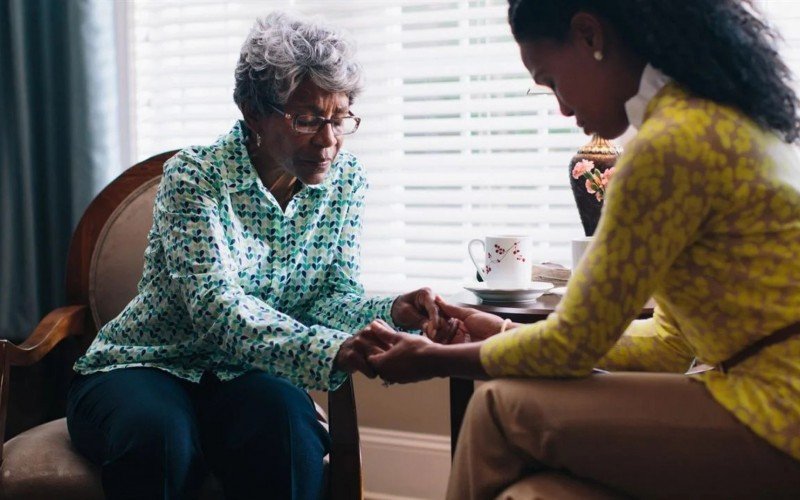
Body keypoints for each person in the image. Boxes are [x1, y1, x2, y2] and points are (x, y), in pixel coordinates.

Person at [366, 0, 800, 498]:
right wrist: (503, 330)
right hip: (762, 397)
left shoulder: (670, 145)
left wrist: (435, 359)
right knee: (533, 495)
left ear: (590, 36)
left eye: (550, 80)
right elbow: (670, 345)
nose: (563, 109)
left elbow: (573, 346)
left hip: (780, 409)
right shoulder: (722, 120)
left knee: (498, 408)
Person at [66, 12, 443, 500]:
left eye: (339, 117)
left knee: (289, 432)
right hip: (145, 365)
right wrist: (329, 350)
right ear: (253, 111)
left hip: (244, 375)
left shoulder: (346, 181)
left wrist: (392, 312)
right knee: (159, 440)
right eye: (306, 119)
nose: (328, 140)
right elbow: (215, 307)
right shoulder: (196, 177)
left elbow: (329, 297)